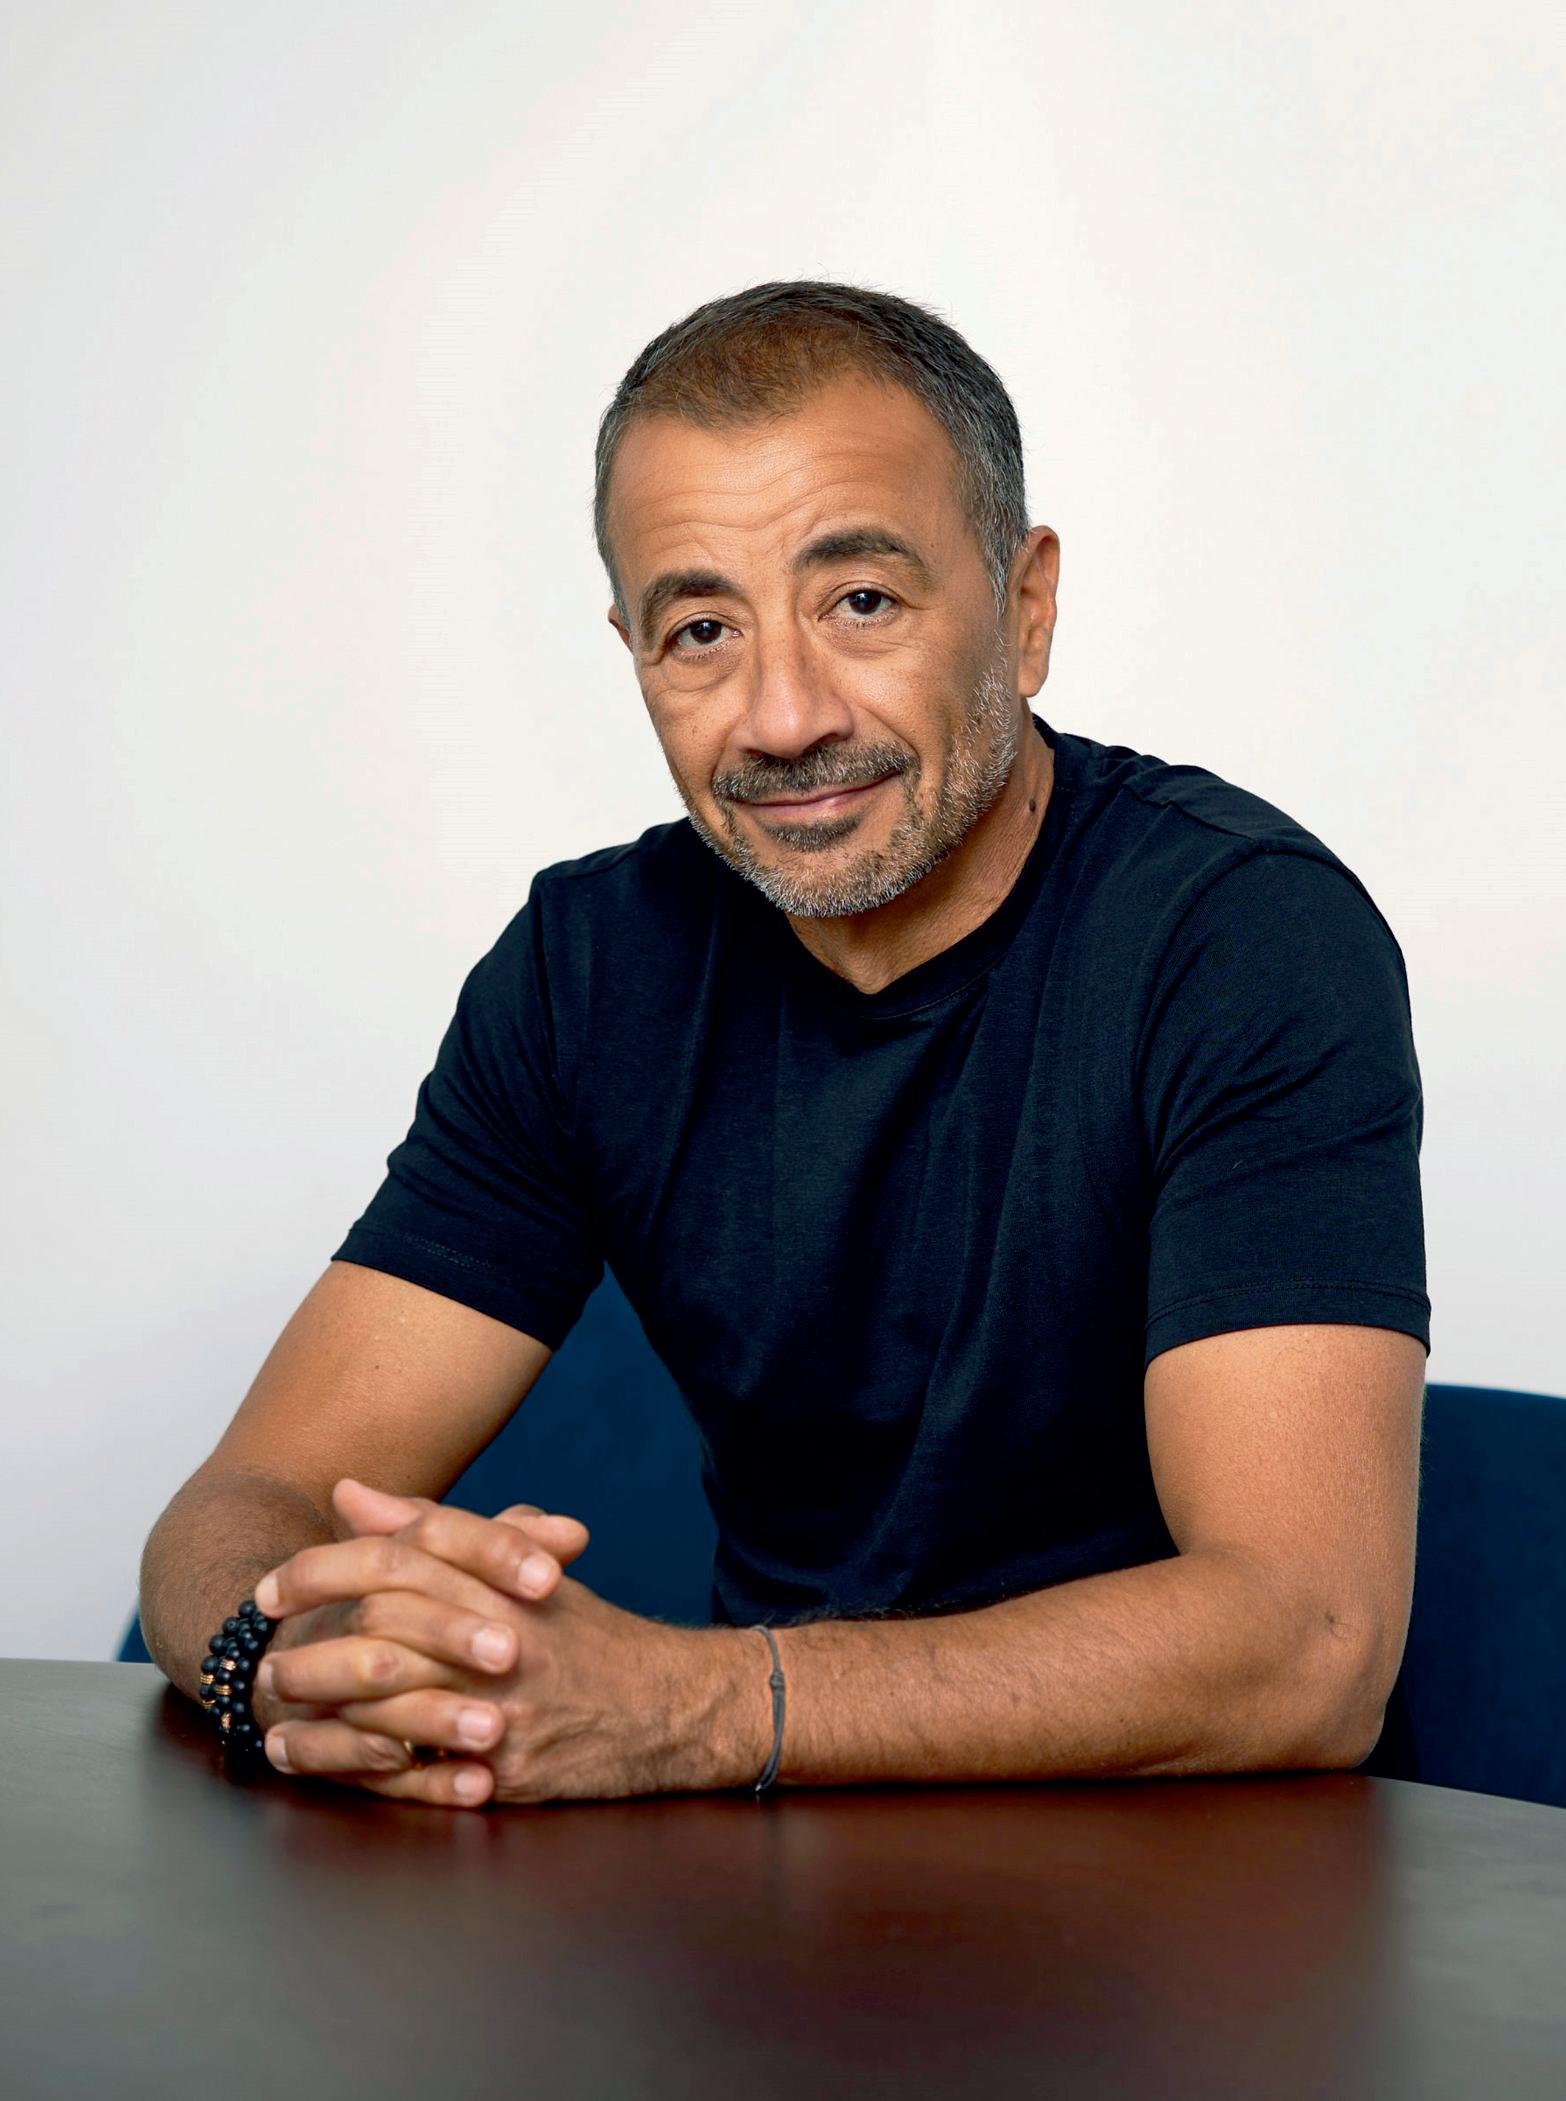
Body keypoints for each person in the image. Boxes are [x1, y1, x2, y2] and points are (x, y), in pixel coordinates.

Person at [139, 280, 1429, 1812]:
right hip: (761, 1867)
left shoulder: (1240, 937)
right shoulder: (586, 969)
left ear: (1024, 608)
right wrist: (309, 1664)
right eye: (700, 630)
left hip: (1193, 1872)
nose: (781, 714)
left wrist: (691, 1704)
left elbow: (1308, 1641)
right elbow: (247, 1496)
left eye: (860, 601)